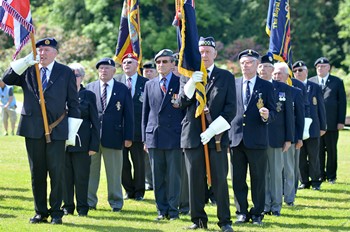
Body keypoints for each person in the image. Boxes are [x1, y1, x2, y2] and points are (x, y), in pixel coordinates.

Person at [2, 37, 80, 224]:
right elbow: (6, 78)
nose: (42, 53)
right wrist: (26, 60)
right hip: (32, 129)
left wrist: (71, 132)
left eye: (47, 50)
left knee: (56, 172)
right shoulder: (29, 69)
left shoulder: (65, 72)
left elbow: (74, 102)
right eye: (39, 50)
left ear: (55, 53)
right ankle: (40, 212)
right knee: (37, 172)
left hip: (57, 129)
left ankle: (56, 212)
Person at [180, 37, 236, 232]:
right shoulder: (187, 75)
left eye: (207, 51)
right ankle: (198, 220)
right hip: (192, 135)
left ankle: (225, 221)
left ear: (215, 54)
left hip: (217, 137)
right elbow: (180, 103)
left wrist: (212, 130)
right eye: (201, 51)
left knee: (220, 180)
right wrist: (190, 85)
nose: (203, 55)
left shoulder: (226, 77)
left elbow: (231, 110)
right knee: (194, 180)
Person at [229, 49, 276, 226]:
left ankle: (257, 213)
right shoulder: (234, 83)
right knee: (238, 179)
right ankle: (241, 212)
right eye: (242, 63)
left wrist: (266, 115)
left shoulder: (266, 86)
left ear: (257, 65)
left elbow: (274, 113)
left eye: (249, 62)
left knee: (258, 179)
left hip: (257, 140)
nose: (245, 66)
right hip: (236, 139)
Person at [86, 58, 134, 212]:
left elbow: (129, 115)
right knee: (91, 172)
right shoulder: (90, 88)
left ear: (114, 71)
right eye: (101, 68)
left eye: (107, 68)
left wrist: (128, 136)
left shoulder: (122, 89)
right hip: (92, 138)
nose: (103, 71)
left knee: (114, 173)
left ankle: (116, 203)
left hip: (114, 136)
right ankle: (89, 202)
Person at [142, 49, 184, 221]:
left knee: (174, 177)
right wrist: (145, 138)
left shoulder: (181, 82)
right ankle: (161, 210)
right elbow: (145, 114)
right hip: (155, 137)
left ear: (173, 64)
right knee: (157, 176)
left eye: (165, 62)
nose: (161, 65)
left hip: (174, 136)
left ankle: (173, 211)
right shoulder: (149, 84)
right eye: (158, 62)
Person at [62, 63, 100, 217]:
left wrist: (94, 145)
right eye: (70, 75)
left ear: (82, 77)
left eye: (76, 75)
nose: (73, 78)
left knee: (82, 177)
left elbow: (95, 122)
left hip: (83, 143)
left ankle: (83, 208)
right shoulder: (61, 93)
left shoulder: (88, 95)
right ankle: (67, 207)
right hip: (63, 142)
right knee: (65, 177)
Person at [258, 55, 293, 217]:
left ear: (273, 70)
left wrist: (288, 139)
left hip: (276, 138)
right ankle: (265, 205)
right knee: (261, 174)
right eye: (261, 66)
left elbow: (289, 117)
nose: (263, 70)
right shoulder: (253, 86)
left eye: (266, 67)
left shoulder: (283, 89)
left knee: (276, 174)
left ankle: (276, 206)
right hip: (257, 138)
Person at [115, 53, 148, 201]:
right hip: (120, 130)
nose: (126, 65)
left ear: (137, 65)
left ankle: (139, 191)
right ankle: (128, 190)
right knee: (122, 163)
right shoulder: (116, 81)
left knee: (139, 163)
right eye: (124, 63)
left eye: (130, 62)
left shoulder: (146, 83)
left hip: (139, 130)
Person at [309, 57, 347, 184]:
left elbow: (342, 103)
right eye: (318, 67)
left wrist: (341, 121)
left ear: (329, 68)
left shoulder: (337, 82)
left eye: (323, 66)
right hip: (315, 124)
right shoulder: (311, 81)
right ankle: (319, 175)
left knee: (331, 150)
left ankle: (331, 176)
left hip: (331, 123)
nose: (320, 68)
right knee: (318, 151)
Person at [272, 62, 305, 207]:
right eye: (274, 73)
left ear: (287, 75)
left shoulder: (295, 92)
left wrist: (298, 138)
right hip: (273, 137)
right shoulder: (268, 90)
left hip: (290, 136)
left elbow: (299, 117)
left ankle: (290, 197)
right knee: (274, 170)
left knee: (289, 169)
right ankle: (276, 196)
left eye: (279, 73)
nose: (276, 76)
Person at [292, 61, 326, 190]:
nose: (297, 73)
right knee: (300, 156)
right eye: (295, 71)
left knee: (313, 155)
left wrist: (323, 126)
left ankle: (316, 181)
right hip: (297, 127)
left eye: (300, 70)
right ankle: (304, 181)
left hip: (313, 127)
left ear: (306, 71)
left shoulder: (314, 86)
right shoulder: (292, 85)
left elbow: (321, 108)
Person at [142, 60, 157, 191]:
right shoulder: (145, 85)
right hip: (147, 127)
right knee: (146, 160)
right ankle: (149, 181)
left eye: (151, 71)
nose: (148, 73)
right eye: (145, 71)